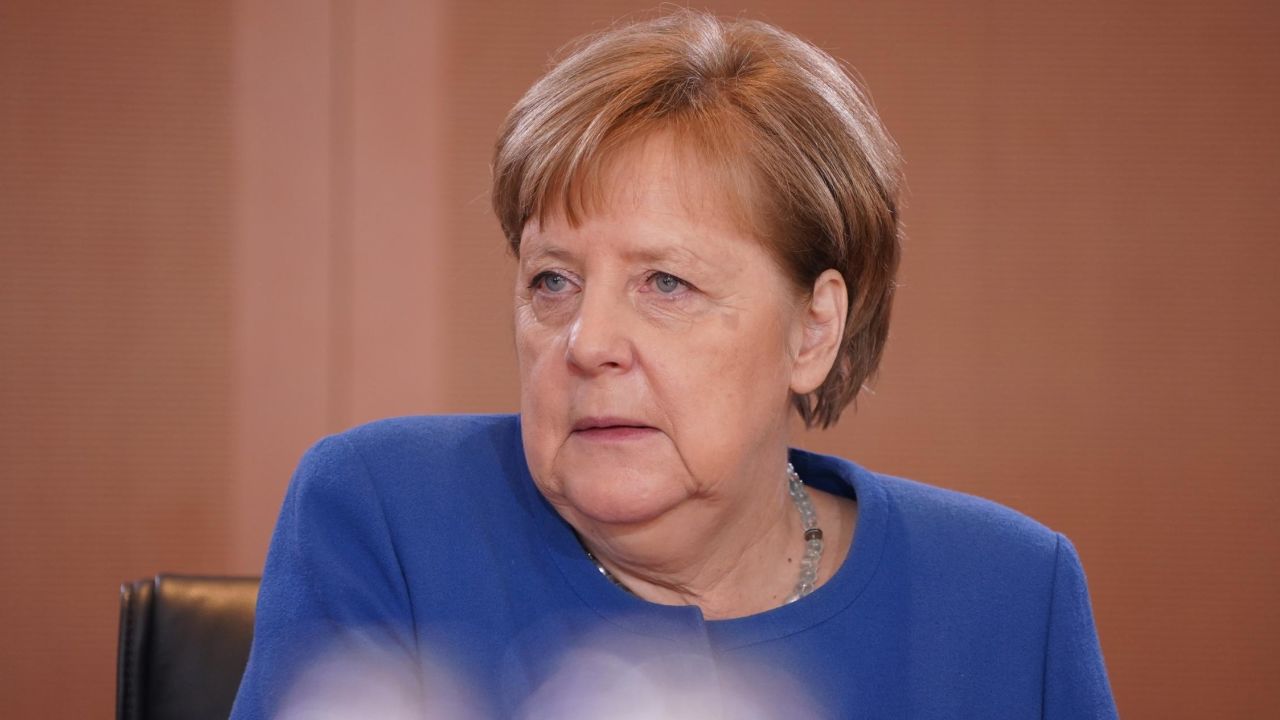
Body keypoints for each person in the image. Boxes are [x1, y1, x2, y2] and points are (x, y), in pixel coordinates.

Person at [231, 9, 1117, 719]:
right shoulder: (385, 517)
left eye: (665, 282)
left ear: (812, 332)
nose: (586, 343)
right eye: (552, 280)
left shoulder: (1009, 593)